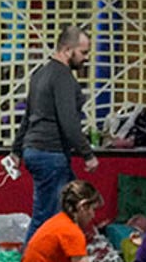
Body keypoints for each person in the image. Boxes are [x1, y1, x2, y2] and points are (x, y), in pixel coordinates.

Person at [15, 25, 98, 239]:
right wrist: (87, 153)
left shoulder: (39, 74)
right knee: (48, 216)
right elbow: (68, 121)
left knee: (64, 211)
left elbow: (28, 116)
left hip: (35, 150)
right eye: (83, 52)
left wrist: (16, 150)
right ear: (68, 50)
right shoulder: (62, 77)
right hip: (50, 153)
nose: (85, 58)